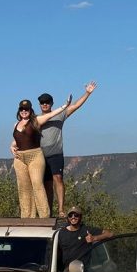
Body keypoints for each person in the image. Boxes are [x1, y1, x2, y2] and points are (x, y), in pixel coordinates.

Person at [38, 81, 97, 217]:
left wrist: (87, 93)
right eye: (42, 102)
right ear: (40, 104)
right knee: (47, 184)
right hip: (40, 156)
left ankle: (60, 210)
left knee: (58, 178)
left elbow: (75, 105)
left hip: (56, 154)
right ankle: (48, 212)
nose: (45, 104)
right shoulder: (36, 118)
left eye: (47, 102)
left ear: (51, 103)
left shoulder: (60, 114)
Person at [10, 97, 71, 219]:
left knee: (37, 184)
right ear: (19, 111)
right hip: (20, 158)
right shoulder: (15, 124)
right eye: (22, 109)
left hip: (35, 155)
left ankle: (44, 215)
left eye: (26, 109)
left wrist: (64, 106)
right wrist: (11, 147)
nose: (24, 111)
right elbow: (17, 140)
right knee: (23, 188)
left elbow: (51, 114)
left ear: (30, 110)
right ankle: (27, 216)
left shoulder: (36, 121)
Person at [57, 207, 113, 272]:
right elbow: (58, 252)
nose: (73, 217)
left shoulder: (86, 230)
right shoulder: (62, 232)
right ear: (68, 218)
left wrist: (94, 238)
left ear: (80, 217)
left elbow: (110, 234)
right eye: (70, 215)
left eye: (76, 215)